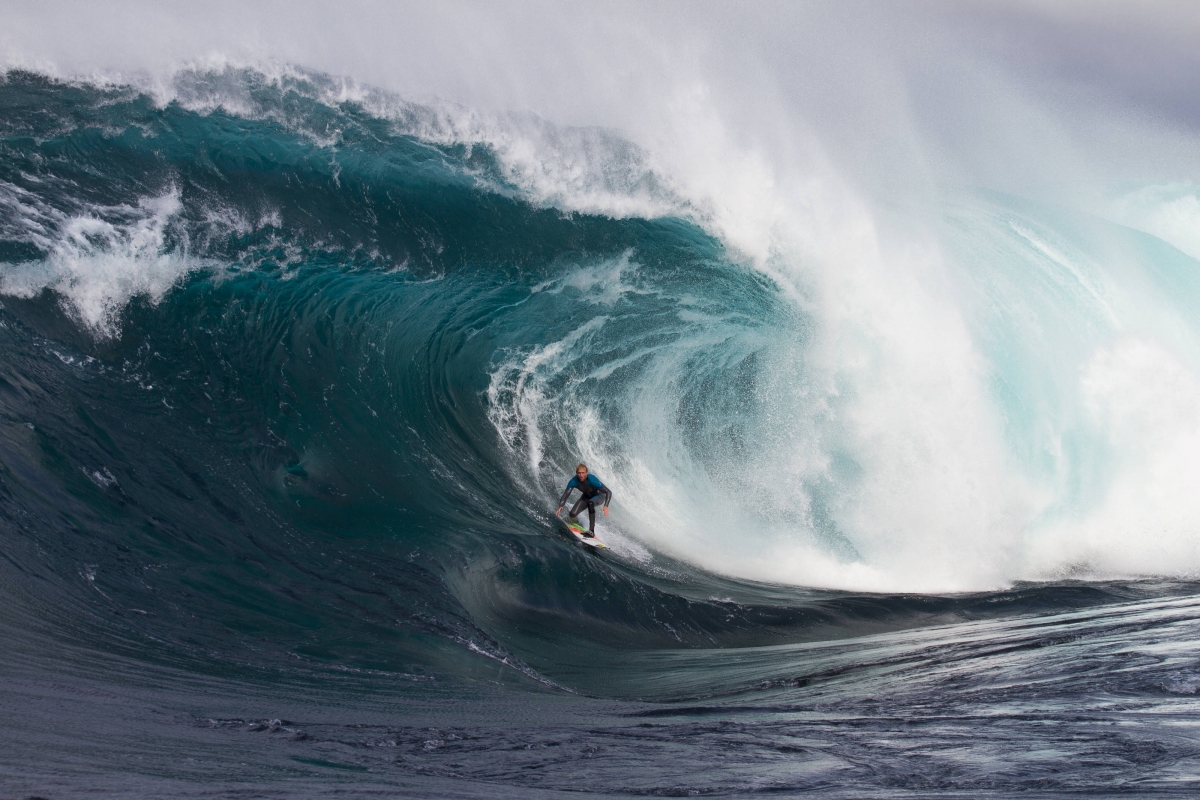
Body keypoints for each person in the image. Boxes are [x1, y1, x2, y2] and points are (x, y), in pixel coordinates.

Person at [555, 463, 612, 538]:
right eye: (579, 473)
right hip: (586, 497)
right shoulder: (574, 481)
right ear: (576, 473)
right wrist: (561, 506)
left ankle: (591, 531)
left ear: (586, 473)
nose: (581, 475)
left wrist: (606, 506)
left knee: (590, 503)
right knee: (572, 514)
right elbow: (566, 494)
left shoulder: (592, 479)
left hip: (599, 496)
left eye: (583, 473)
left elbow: (608, 492)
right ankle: (575, 520)